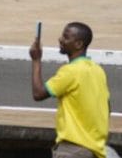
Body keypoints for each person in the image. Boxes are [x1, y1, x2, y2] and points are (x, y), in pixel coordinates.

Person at [30, 21, 109, 158]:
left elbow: (38, 93)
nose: (60, 39)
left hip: (73, 150)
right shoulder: (98, 71)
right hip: (96, 149)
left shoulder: (70, 71)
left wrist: (36, 60)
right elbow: (107, 107)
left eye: (66, 37)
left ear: (78, 44)